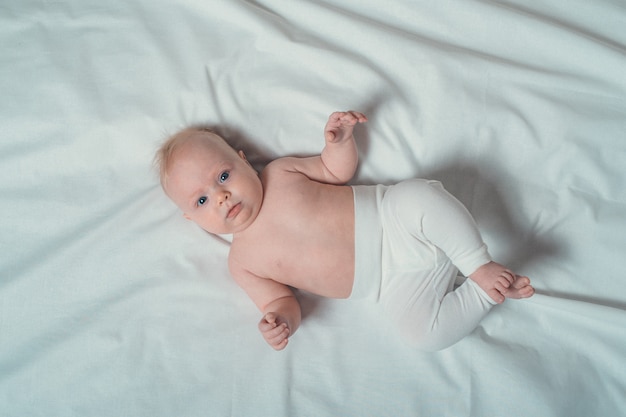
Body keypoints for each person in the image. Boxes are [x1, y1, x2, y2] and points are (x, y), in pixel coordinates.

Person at [155, 111, 534, 351]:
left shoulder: (280, 173)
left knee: (418, 195)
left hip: (392, 219)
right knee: (422, 335)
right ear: (192, 219)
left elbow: (336, 170)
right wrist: (279, 323)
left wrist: (338, 142)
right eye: (201, 201)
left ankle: (477, 264)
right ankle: (484, 294)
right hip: (391, 283)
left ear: (243, 162)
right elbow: (280, 302)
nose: (221, 197)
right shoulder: (242, 263)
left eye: (223, 176)